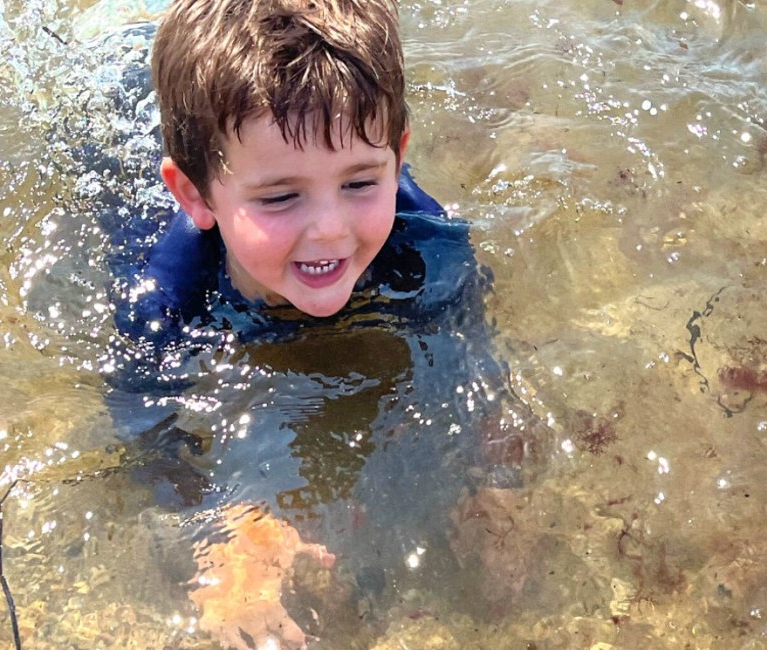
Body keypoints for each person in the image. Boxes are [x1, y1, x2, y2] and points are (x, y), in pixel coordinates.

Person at [79, 1, 534, 646]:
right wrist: (219, 529)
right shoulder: (161, 296)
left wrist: (490, 479)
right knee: (107, 85)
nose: (330, 228)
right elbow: (144, 425)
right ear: (197, 195)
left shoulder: (428, 245)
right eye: (280, 196)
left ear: (397, 158)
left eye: (360, 182)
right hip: (120, 136)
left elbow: (470, 358)